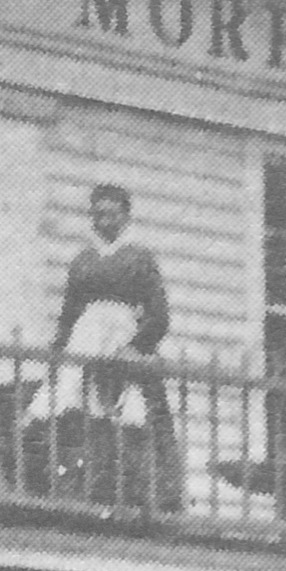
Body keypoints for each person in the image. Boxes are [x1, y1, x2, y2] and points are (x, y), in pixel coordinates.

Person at [51, 182, 176, 455]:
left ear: (126, 216)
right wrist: (59, 350)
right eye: (98, 214)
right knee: (75, 407)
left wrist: (135, 347)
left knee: (127, 414)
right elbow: (69, 313)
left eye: (112, 214)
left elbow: (159, 315)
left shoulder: (139, 258)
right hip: (85, 341)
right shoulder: (83, 261)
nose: (104, 221)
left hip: (123, 341)